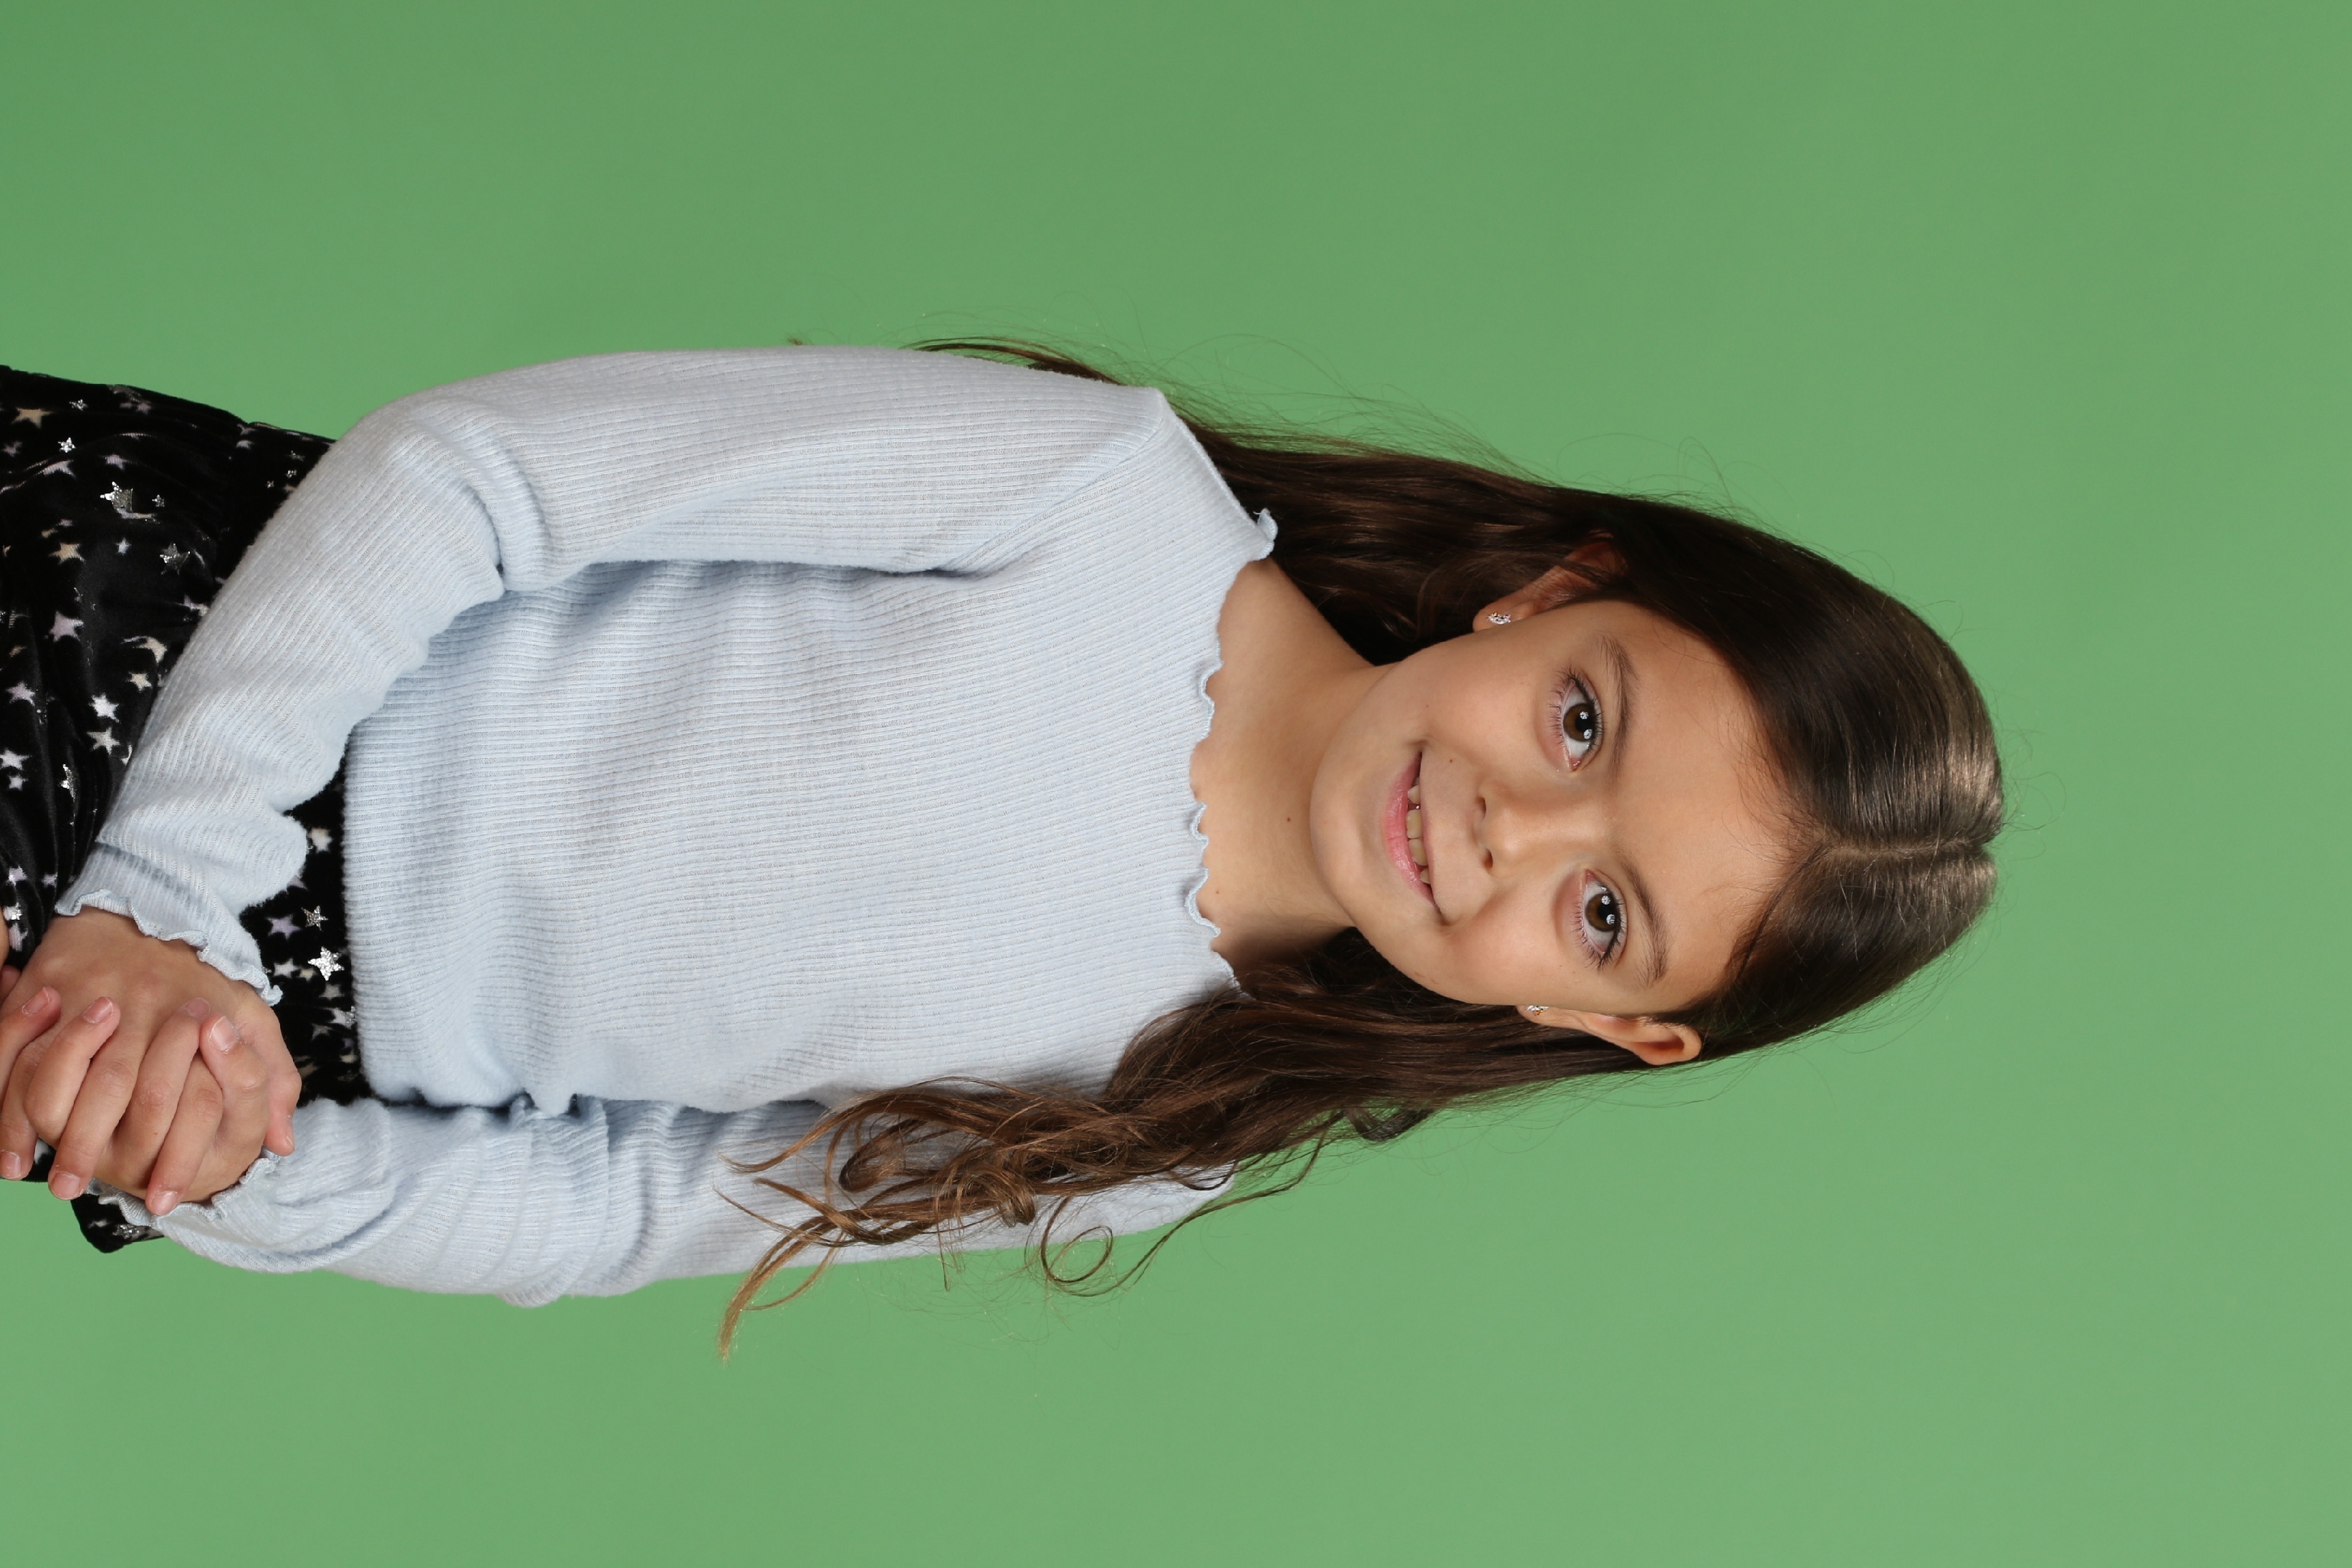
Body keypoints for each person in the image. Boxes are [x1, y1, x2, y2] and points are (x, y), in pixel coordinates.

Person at [0, 343, 2002, 1340]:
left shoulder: (1163, 1125)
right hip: (150, 634)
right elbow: (478, 478)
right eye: (1582, 720)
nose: (1508, 826)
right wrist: (162, 892)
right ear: (1557, 589)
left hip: (210, 1056)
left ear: (1611, 1027)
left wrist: (235, 1167)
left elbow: (619, 1204)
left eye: (1602, 910)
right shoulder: (1100, 500)